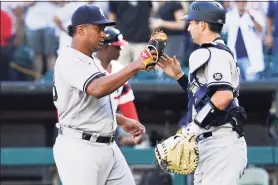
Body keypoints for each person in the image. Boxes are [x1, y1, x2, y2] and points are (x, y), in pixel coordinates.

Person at [52, 5, 157, 185]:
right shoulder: (69, 58)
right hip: (80, 148)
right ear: (81, 30)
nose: (103, 33)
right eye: (98, 28)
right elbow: (97, 89)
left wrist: (121, 120)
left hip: (108, 146)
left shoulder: (93, 61)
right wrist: (136, 64)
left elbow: (86, 107)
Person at [157, 1, 247, 185]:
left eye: (191, 22)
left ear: (203, 24)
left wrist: (192, 128)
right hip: (210, 143)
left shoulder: (215, 53)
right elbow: (204, 98)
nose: (188, 27)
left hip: (220, 142)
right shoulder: (212, 52)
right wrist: (180, 77)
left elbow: (223, 97)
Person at [94, 27, 145, 146]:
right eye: (117, 46)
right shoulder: (89, 67)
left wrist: (136, 130)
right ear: (105, 47)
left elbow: (126, 102)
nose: (121, 48)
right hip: (84, 133)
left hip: (108, 132)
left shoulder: (118, 68)